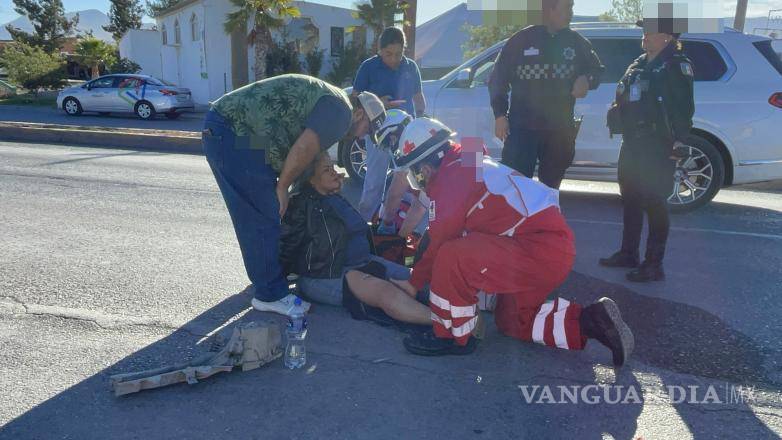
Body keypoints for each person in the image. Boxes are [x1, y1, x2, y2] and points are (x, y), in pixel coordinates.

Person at [382, 117, 634, 366]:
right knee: (512, 321)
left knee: (451, 255)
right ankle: (592, 321)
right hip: (548, 249)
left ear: (424, 168)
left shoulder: (450, 181)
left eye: (416, 174)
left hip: (535, 248)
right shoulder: (467, 160)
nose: (419, 182)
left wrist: (413, 283)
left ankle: (453, 336)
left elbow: (438, 242)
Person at [203, 73, 385, 317]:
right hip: (233, 130)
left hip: (232, 129)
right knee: (262, 214)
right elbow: (303, 148)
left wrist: (325, 183)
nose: (363, 136)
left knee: (268, 212)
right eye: (367, 129)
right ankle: (269, 295)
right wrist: (282, 187)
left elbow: (311, 158)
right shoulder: (341, 113)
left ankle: (269, 277)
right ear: (360, 114)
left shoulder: (334, 103)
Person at [279, 152, 431, 326]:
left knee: (417, 278)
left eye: (333, 167)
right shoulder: (301, 204)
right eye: (327, 170)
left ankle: (461, 311)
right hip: (324, 276)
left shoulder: (334, 196)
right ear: (311, 180)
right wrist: (276, 287)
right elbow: (287, 244)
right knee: (385, 290)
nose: (336, 172)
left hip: (364, 262)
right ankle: (446, 325)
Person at [600, 19, 695, 282]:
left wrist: (679, 141)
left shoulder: (676, 66)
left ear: (667, 36)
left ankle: (654, 264)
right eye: (644, 30)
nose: (645, 35)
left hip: (658, 143)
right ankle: (628, 253)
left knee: (654, 200)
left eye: (650, 31)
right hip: (632, 141)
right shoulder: (639, 63)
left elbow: (683, 108)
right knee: (629, 196)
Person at [488, 0, 604, 189]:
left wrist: (586, 79)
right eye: (567, 7)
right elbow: (497, 79)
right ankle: (521, 219)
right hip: (522, 129)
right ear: (550, 9)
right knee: (517, 186)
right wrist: (500, 115)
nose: (571, 13)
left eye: (572, 7)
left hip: (559, 130)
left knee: (551, 188)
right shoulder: (521, 40)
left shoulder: (576, 42)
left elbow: (597, 70)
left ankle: (547, 217)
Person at [354, 26, 426, 222]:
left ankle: (393, 227)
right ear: (379, 50)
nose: (394, 59)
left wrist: (420, 121)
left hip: (406, 134)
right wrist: (380, 103)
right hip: (377, 134)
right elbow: (355, 100)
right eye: (388, 54)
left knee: (406, 182)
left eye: (398, 54)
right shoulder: (368, 67)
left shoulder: (411, 67)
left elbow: (419, 98)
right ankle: (364, 226)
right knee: (374, 183)